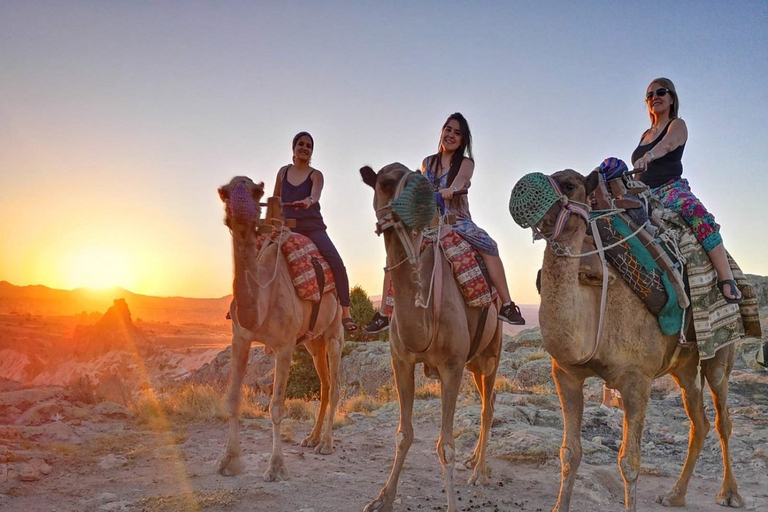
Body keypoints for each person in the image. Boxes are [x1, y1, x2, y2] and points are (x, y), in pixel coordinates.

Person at [364, 113, 525, 333]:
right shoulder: (427, 162)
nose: (451, 135)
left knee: (489, 246)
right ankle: (384, 313)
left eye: (457, 133)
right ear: (442, 131)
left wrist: (451, 189)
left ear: (463, 140)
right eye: (448, 129)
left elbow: (462, 179)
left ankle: (507, 304)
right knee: (396, 253)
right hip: (428, 221)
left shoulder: (466, 163)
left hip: (456, 220)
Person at [632, 78, 743, 304]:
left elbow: (668, 145)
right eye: (650, 95)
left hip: (670, 189)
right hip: (644, 195)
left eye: (660, 92)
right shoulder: (645, 134)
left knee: (697, 214)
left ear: (671, 97)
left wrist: (649, 156)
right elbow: (638, 172)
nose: (655, 97)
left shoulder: (677, 125)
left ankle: (726, 278)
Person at [274, 131, 357, 332]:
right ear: (293, 147)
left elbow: (316, 194)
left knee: (337, 262)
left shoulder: (315, 174)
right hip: (287, 227)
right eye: (301, 144)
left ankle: (345, 312)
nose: (304, 147)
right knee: (256, 252)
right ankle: (242, 304)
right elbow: (275, 199)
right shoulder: (283, 172)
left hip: (312, 228)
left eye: (309, 145)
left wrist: (309, 201)